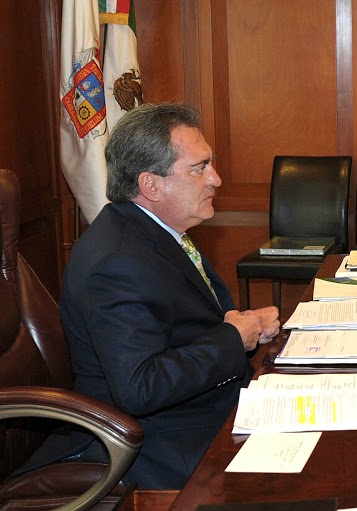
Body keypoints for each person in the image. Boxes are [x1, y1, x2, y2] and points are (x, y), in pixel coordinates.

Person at [58, 103, 281, 489]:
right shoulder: (116, 261)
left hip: (204, 407)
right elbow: (140, 388)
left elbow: (177, 328)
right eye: (200, 168)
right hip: (161, 443)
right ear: (151, 185)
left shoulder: (154, 232)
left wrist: (235, 326)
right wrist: (232, 339)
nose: (217, 179)